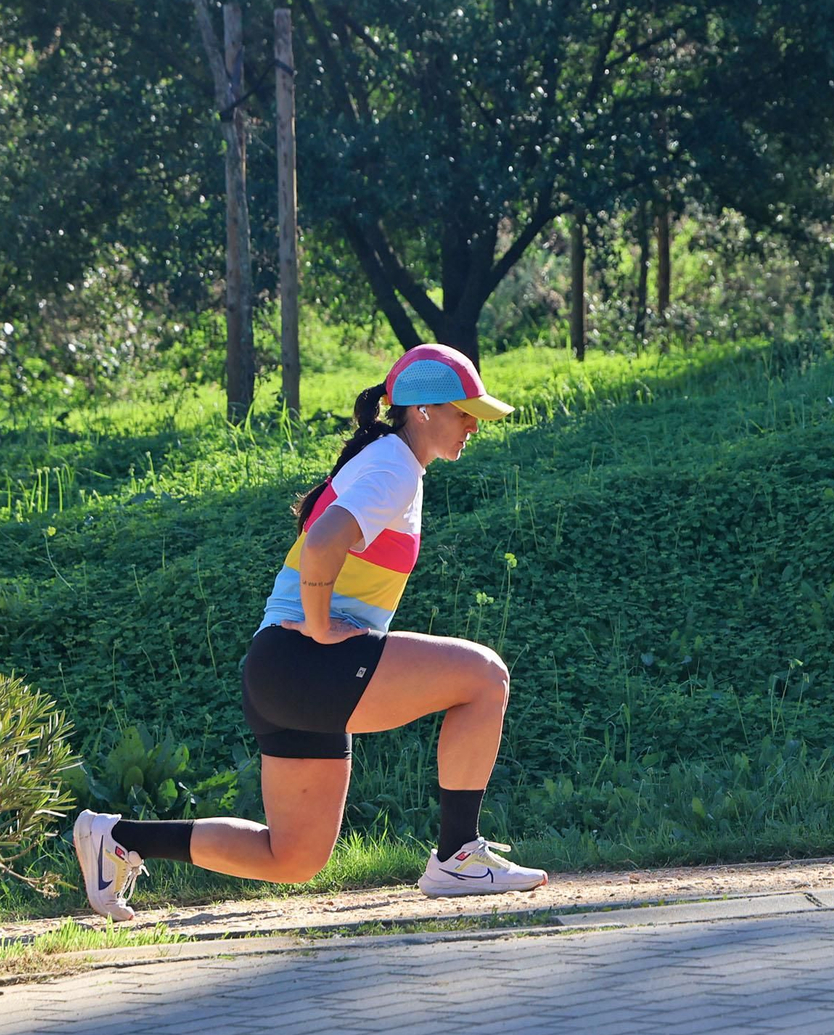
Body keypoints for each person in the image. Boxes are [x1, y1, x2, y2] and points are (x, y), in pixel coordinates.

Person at [72, 344, 547, 921]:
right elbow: (324, 542)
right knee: (485, 677)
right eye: (464, 410)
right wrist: (322, 631)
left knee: (293, 857)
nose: (474, 424)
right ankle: (457, 856)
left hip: (280, 673)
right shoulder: (394, 465)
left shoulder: (386, 461)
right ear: (422, 409)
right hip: (303, 661)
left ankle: (118, 838)